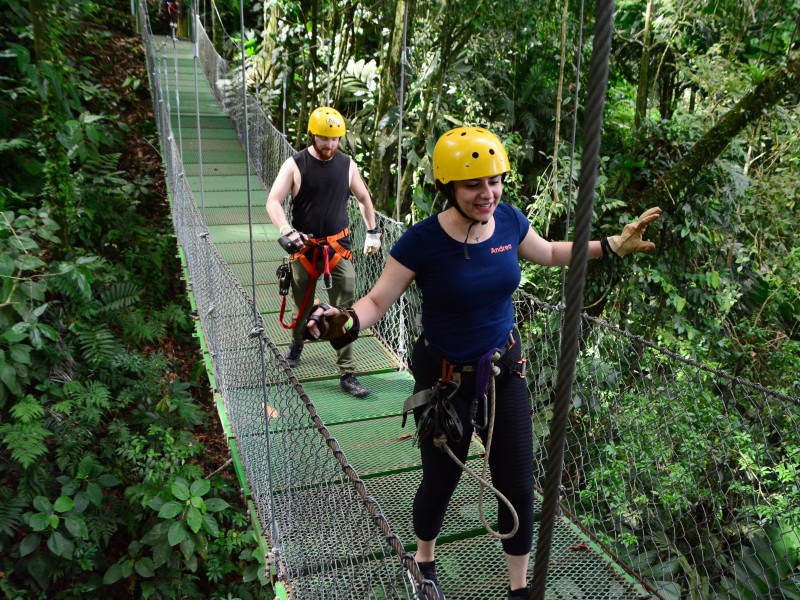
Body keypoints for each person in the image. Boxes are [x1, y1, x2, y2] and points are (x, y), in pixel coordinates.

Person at [303, 126, 661, 598]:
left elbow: (551, 252)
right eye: (473, 184)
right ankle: (424, 557)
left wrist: (610, 245)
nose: (487, 193)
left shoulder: (510, 222)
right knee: (441, 479)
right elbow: (374, 303)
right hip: (444, 380)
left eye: (494, 181)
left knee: (516, 485)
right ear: (448, 188)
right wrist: (340, 321)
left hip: (503, 371)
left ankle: (518, 591)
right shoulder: (421, 242)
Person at [266, 106, 381, 398]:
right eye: (323, 138)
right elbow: (273, 201)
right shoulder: (295, 165)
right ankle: (297, 343)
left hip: (337, 249)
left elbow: (364, 198)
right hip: (304, 248)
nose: (329, 145)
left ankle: (347, 372)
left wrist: (373, 231)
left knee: (344, 311)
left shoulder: (347, 165)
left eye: (334, 139)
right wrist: (286, 230)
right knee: (301, 307)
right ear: (312, 135)